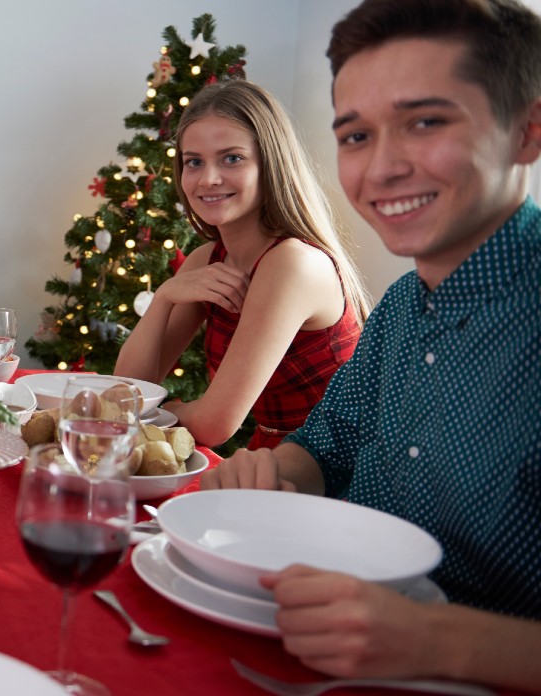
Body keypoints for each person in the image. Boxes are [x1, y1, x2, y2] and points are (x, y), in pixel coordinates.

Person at [203, 0, 541, 690]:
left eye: (425, 122)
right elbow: (322, 447)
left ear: (527, 132)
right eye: (355, 136)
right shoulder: (400, 307)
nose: (380, 168)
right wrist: (269, 475)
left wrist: (433, 640)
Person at [114, 79, 370, 449]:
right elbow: (126, 392)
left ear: (271, 165)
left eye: (232, 158)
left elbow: (215, 424)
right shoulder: (207, 259)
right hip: (277, 456)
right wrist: (165, 297)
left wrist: (162, 410)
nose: (208, 179)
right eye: (194, 162)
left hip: (336, 471)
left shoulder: (293, 263)